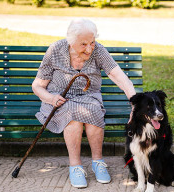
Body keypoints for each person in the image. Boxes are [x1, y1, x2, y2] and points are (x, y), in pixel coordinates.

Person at [32, 18, 136, 188]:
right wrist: (51, 98)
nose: (89, 49)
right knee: (72, 113)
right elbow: (37, 86)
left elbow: (121, 79)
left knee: (93, 109)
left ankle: (98, 162)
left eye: (92, 42)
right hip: (59, 99)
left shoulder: (98, 51)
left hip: (89, 97)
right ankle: (75, 166)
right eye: (83, 44)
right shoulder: (56, 50)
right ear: (71, 42)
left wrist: (135, 104)